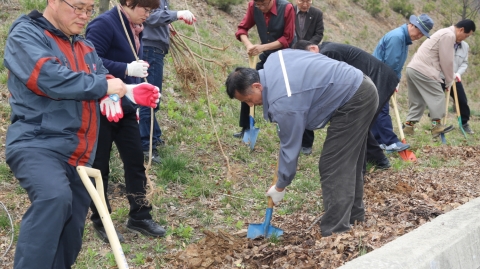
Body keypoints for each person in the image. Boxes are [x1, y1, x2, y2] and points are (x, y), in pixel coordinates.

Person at [3, 0, 128, 267]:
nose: (84, 16)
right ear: (54, 2)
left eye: (90, 9)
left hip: (81, 154)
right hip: (38, 143)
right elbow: (48, 77)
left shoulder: (85, 46)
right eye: (78, 7)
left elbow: (105, 81)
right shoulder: (27, 34)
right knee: (54, 198)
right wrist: (103, 86)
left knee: (70, 234)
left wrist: (128, 93)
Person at [225, 49, 378, 236]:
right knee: (348, 161)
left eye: (249, 100)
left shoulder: (283, 101)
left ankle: (336, 231)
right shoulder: (275, 59)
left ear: (257, 86)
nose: (250, 105)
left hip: (354, 97)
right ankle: (355, 217)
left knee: (333, 165)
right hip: (359, 85)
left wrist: (280, 185)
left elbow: (291, 147)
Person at [85, 0, 166, 243]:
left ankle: (140, 215)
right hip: (101, 107)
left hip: (126, 107)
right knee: (100, 167)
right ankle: (102, 220)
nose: (148, 16)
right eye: (146, 9)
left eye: (152, 11)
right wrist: (127, 68)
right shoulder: (103, 24)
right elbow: (90, 61)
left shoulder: (133, 27)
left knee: (135, 161)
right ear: (129, 2)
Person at [293, 40, 399, 169]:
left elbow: (333, 83)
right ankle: (377, 161)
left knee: (359, 124)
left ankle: (368, 164)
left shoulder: (328, 53)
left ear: (314, 48)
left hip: (379, 80)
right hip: (372, 81)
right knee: (360, 124)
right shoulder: (327, 50)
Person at [140, 1, 196, 163]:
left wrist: (166, 26)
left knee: (154, 98)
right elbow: (150, 15)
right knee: (149, 100)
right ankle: (145, 145)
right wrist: (177, 14)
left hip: (154, 49)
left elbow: (155, 17)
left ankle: (154, 136)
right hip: (150, 50)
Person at [233, 0, 296, 139]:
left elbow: (287, 38)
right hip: (268, 54)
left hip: (286, 57)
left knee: (289, 94)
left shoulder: (287, 8)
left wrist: (262, 47)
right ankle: (246, 128)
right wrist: (248, 44)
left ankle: (300, 139)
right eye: (258, 5)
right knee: (247, 85)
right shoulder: (253, 6)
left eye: (264, 5)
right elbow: (242, 29)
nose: (261, 8)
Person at [404, 19, 476, 137]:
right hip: (424, 70)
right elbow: (446, 61)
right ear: (461, 29)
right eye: (466, 35)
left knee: (418, 101)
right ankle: (436, 127)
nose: (465, 38)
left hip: (412, 69)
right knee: (438, 96)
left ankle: (408, 127)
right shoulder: (449, 35)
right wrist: (449, 80)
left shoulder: (443, 32)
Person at [372, 14, 433, 148]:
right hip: (379, 76)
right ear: (413, 25)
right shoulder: (397, 37)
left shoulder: (404, 39)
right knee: (382, 109)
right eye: (420, 32)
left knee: (377, 109)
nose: (419, 36)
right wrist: (392, 81)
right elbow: (389, 65)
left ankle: (378, 141)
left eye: (423, 34)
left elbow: (398, 65)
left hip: (384, 77)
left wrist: (396, 81)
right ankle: (390, 142)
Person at [294, 0, 324, 155]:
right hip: (291, 57)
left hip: (309, 59)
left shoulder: (317, 14)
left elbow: (319, 34)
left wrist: (306, 48)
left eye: (308, 1)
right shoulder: (289, 11)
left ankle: (307, 143)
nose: (305, 4)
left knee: (307, 98)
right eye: (301, 0)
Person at [441, 40, 473, 134]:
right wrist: (447, 75)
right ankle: (436, 124)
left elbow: (464, 63)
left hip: (455, 77)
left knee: (462, 100)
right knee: (436, 100)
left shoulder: (465, 46)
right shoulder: (445, 42)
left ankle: (464, 123)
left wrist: (458, 73)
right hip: (440, 76)